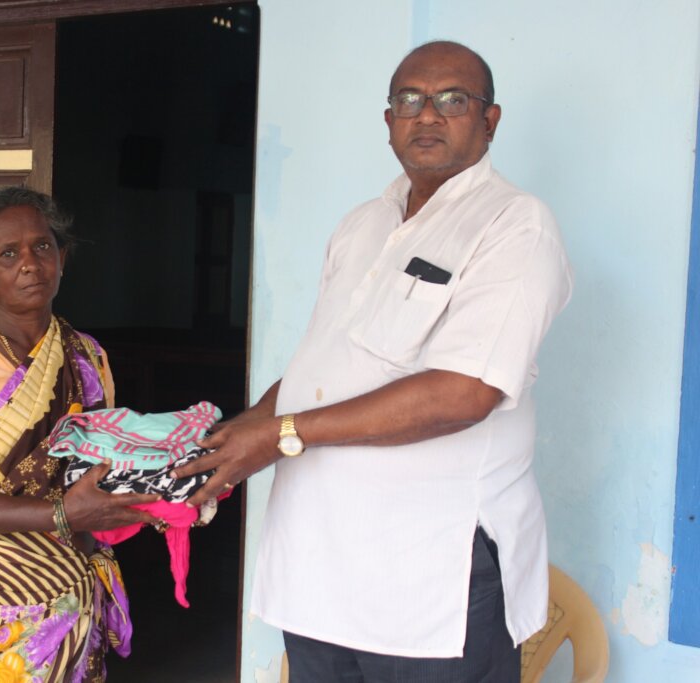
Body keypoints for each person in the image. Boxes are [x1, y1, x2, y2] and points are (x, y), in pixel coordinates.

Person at [174, 41, 573, 682]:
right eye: (410, 100)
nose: (428, 114)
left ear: (490, 120)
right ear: (389, 120)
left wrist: (280, 435)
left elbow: (464, 393)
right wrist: (234, 439)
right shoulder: (362, 224)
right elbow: (318, 369)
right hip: (317, 568)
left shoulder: (515, 225)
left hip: (432, 578)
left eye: (452, 100)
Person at [0, 186, 160, 682]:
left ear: (61, 258)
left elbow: (102, 466)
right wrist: (62, 514)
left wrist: (165, 493)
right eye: (8, 253)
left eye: (42, 246)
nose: (30, 263)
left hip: (69, 584)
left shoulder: (87, 356)